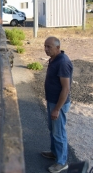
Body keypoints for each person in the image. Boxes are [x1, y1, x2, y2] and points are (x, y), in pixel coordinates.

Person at [41, 36, 73, 173]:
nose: (46, 49)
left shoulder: (63, 63)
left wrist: (57, 109)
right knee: (53, 129)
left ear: (58, 48)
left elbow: (66, 89)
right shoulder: (54, 59)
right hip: (52, 101)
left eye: (49, 47)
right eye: (45, 46)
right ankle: (55, 152)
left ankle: (61, 162)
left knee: (59, 132)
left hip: (58, 104)